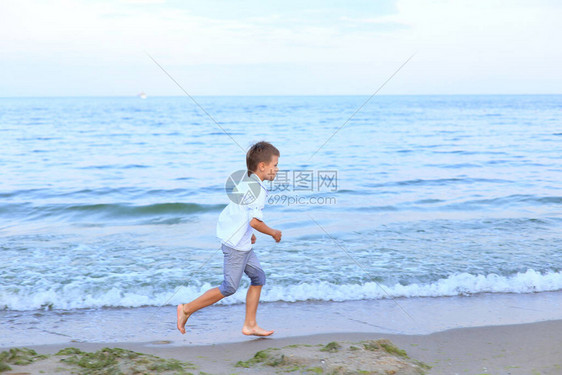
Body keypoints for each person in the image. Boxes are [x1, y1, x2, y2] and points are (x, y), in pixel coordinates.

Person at [176, 141, 282, 336]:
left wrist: (249, 235)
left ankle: (250, 325)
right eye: (275, 165)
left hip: (240, 242)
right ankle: (186, 309)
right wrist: (273, 232)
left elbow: (240, 213)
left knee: (258, 278)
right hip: (235, 247)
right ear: (262, 166)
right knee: (229, 287)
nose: (277, 169)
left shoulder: (248, 181)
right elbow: (255, 222)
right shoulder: (258, 190)